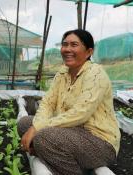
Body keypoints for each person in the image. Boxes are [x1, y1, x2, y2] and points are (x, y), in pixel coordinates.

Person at [18, 29, 121, 175]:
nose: (67, 49)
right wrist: (35, 126)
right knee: (25, 124)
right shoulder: (62, 73)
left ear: (89, 52)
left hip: (99, 142)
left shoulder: (96, 74)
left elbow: (80, 114)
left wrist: (37, 129)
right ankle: (58, 159)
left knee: (44, 137)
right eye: (65, 44)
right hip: (71, 132)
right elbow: (48, 103)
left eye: (74, 45)